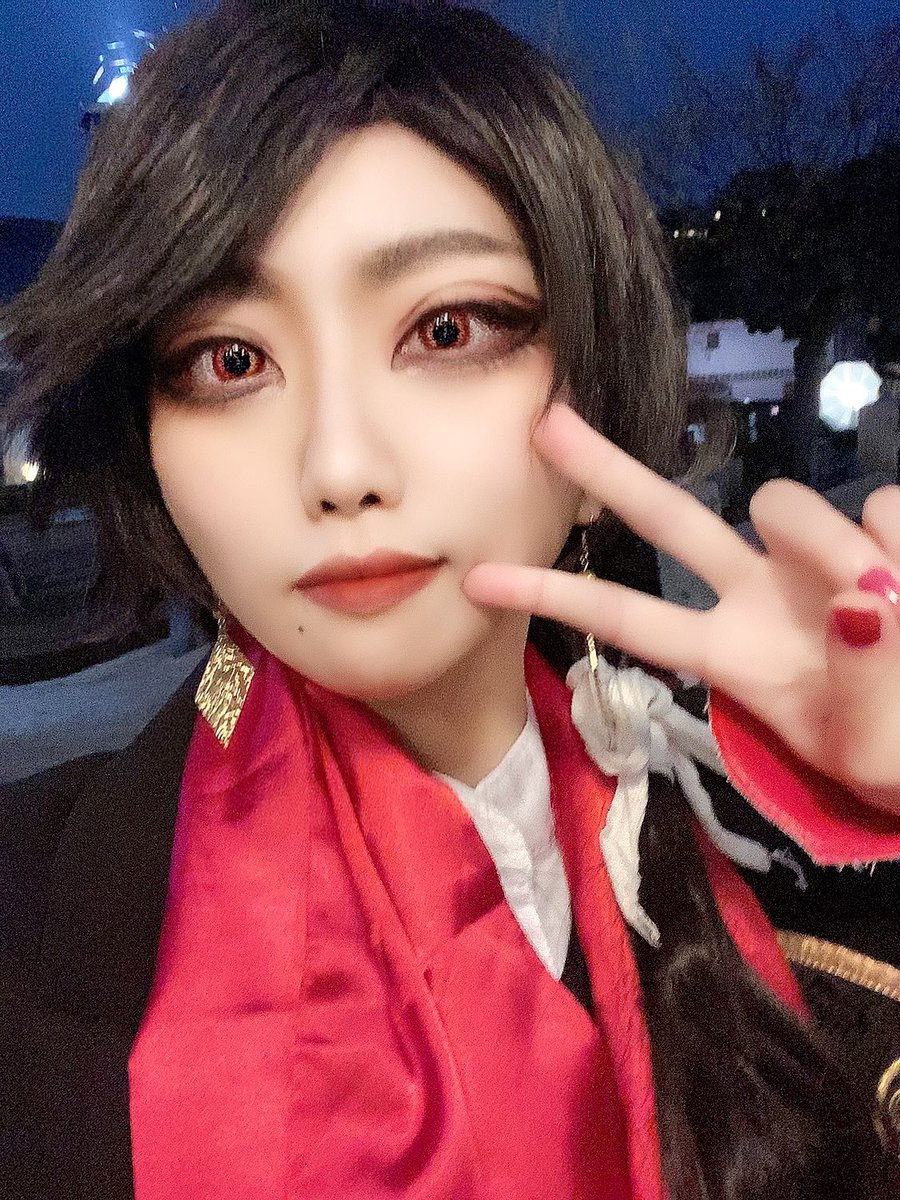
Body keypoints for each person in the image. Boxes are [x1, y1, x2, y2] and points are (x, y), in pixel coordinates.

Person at [1, 2, 898, 1198]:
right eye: (231, 360)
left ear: (594, 403)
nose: (339, 467)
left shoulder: (774, 842)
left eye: (446, 327)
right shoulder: (35, 918)